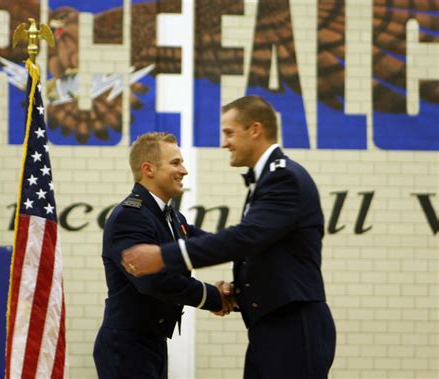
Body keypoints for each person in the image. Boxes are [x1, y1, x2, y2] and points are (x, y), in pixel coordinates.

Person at [122, 96, 336, 378]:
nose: (224, 143)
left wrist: (163, 256)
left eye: (229, 132)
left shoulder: (283, 178)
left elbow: (245, 238)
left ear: (255, 130)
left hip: (292, 323)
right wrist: (240, 291)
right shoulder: (268, 180)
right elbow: (262, 251)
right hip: (273, 322)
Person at [93, 132, 233, 379]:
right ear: (148, 169)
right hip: (126, 347)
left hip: (150, 343)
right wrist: (214, 297)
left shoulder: (171, 217)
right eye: (175, 163)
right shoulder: (131, 216)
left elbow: (210, 245)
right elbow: (153, 280)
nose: (184, 170)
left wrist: (252, 249)